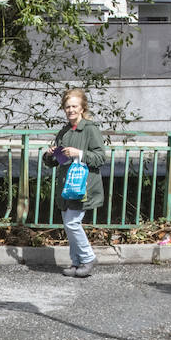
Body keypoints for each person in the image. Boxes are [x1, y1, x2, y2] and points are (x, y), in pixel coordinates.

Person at [41, 88, 107, 278]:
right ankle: (76, 262)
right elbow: (58, 162)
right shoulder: (64, 131)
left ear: (82, 108)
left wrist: (79, 153)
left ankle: (88, 258)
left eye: (74, 106)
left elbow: (100, 158)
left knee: (72, 223)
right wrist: (51, 155)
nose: (70, 110)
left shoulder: (90, 128)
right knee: (68, 224)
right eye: (67, 107)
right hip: (66, 185)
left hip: (82, 185)